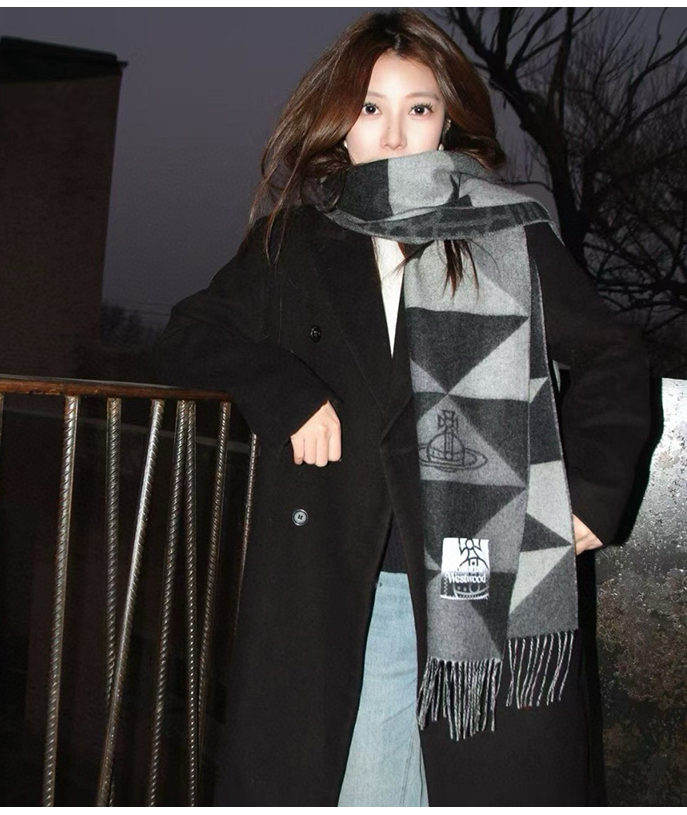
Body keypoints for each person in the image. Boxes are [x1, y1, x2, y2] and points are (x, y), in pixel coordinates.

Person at [152, 9, 650, 806]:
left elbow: (614, 355)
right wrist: (285, 391)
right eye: (369, 107)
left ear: (446, 119)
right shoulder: (295, 242)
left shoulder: (507, 235)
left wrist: (592, 492)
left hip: (492, 585)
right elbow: (189, 333)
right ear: (339, 121)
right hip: (354, 585)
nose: (392, 132)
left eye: (417, 107)